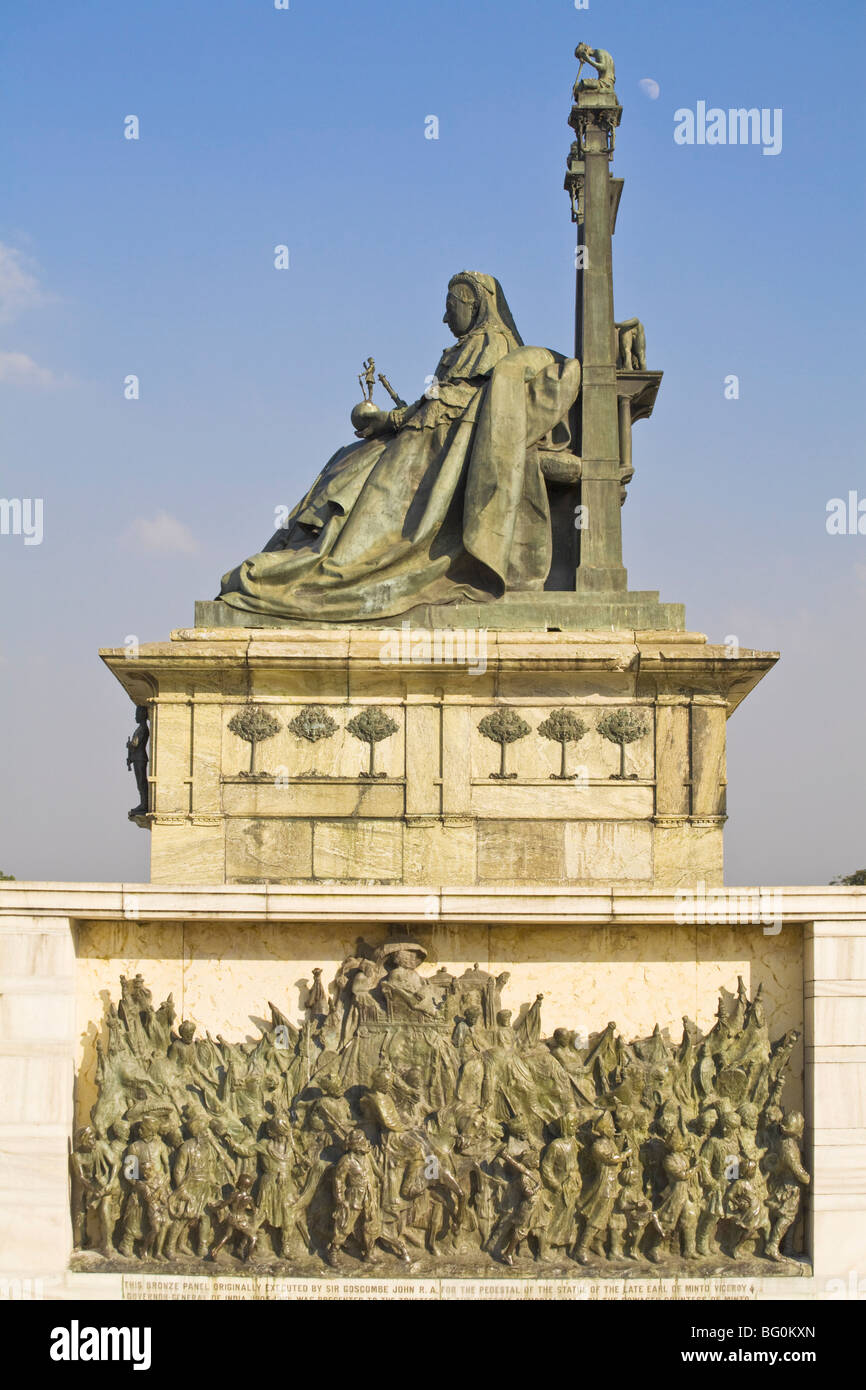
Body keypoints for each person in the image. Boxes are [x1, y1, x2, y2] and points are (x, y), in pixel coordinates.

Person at [216, 272, 581, 623]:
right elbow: (439, 405)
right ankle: (308, 551)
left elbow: (451, 406)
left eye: (450, 305)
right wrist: (389, 421)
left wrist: (392, 421)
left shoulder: (490, 344)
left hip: (436, 449)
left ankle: (333, 564)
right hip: (425, 440)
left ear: (473, 304)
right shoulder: (468, 346)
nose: (444, 317)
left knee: (363, 481)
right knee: (346, 462)